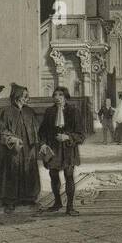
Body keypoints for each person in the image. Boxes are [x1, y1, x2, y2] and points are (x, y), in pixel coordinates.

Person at [0, 83, 41, 213]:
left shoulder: (29, 111)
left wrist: (40, 144)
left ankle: (29, 197)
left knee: (29, 170)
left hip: (28, 148)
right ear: (17, 97)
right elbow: (0, 131)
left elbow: (37, 129)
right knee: (12, 171)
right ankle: (10, 201)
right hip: (12, 149)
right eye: (25, 96)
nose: (28, 98)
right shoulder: (6, 111)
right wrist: (12, 139)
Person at [39, 87, 85, 216]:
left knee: (69, 176)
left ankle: (70, 207)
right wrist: (42, 144)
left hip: (69, 149)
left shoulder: (74, 111)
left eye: (60, 95)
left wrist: (68, 137)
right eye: (55, 95)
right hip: (53, 149)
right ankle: (57, 202)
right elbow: (42, 131)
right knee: (53, 176)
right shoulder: (49, 112)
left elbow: (81, 135)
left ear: (65, 97)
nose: (57, 97)